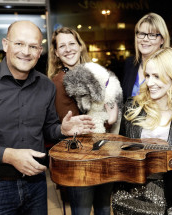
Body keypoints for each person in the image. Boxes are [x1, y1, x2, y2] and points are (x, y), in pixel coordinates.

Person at [0, 21, 95, 215]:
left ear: (40, 51)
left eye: (33, 46)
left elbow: (48, 127)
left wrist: (62, 130)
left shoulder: (46, 86)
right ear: (5, 44)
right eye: (19, 44)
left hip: (36, 185)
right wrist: (8, 155)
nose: (26, 52)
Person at [112, 47, 172, 215]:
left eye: (157, 76)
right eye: (147, 75)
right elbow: (121, 154)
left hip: (168, 199)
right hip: (127, 196)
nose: (149, 83)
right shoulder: (132, 108)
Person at [48, 26, 117, 215]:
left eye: (72, 43)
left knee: (103, 207)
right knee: (83, 210)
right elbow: (82, 126)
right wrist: (108, 117)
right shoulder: (58, 82)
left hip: (104, 152)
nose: (68, 49)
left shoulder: (94, 73)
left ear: (80, 46)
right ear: (56, 52)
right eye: (62, 46)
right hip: (80, 160)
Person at [121, 12, 170, 103]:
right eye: (142, 34)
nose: (145, 39)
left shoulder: (170, 67)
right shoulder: (130, 63)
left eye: (152, 35)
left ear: (162, 40)